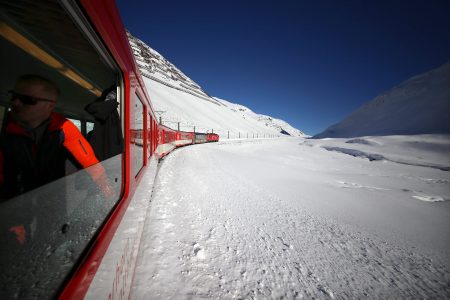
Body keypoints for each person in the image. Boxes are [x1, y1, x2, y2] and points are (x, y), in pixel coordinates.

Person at [0, 74, 112, 243]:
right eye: (14, 96)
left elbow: (90, 162)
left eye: (27, 99)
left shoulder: (63, 128)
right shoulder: (6, 130)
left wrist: (109, 193)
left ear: (49, 106)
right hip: (16, 197)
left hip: (53, 194)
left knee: (49, 232)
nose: (15, 103)